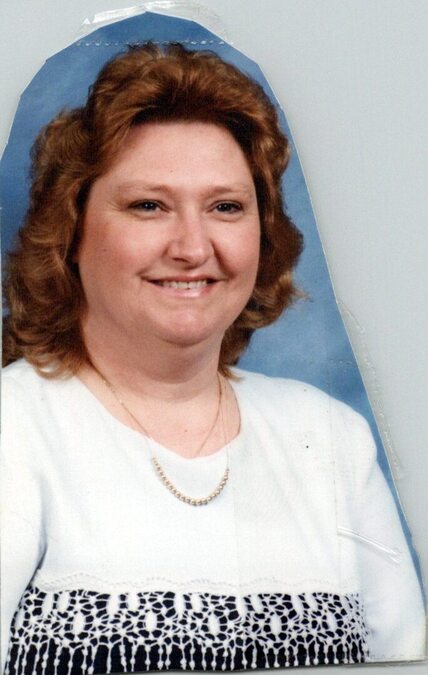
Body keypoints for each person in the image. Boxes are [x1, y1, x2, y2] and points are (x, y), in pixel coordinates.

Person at [1, 43, 425, 675]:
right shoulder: (15, 427)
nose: (193, 248)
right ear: (71, 232)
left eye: (226, 207)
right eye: (149, 205)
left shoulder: (331, 437)